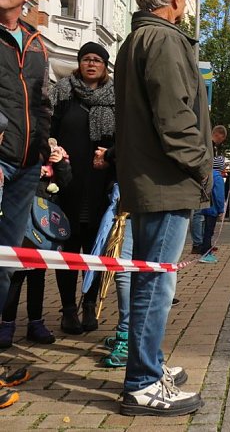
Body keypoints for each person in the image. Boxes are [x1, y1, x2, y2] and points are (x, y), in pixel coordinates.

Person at [114, 0, 212, 416]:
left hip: (149, 176)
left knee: (150, 279)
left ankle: (147, 365)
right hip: (166, 180)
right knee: (157, 282)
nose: (187, 3)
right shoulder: (166, 40)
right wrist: (201, 169)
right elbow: (175, 120)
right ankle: (142, 382)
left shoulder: (136, 39)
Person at [0, 0, 52, 410]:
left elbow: (41, 102)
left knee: (5, 261)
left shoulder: (36, 42)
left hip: (26, 166)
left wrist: (45, 147)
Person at [50, 41, 116, 334]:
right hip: (67, 184)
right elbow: (48, 131)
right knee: (68, 250)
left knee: (96, 249)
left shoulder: (115, 98)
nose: (91, 64)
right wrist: (52, 150)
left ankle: (89, 305)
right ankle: (67, 310)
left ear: (104, 66)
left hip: (100, 186)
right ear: (79, 63)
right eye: (86, 59)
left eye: (97, 60)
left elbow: (121, 137)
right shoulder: (62, 92)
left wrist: (110, 157)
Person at [0, 140, 70, 348]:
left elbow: (66, 182)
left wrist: (59, 164)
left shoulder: (55, 150)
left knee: (37, 276)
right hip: (17, 220)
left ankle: (36, 323)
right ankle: (7, 324)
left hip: (42, 225)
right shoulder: (15, 151)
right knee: (14, 275)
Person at [191, 125, 227, 253]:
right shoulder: (208, 145)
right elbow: (219, 194)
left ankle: (202, 243)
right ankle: (199, 244)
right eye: (221, 139)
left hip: (204, 183)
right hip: (203, 183)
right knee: (199, 215)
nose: (221, 142)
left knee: (201, 216)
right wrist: (221, 209)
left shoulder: (210, 145)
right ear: (218, 135)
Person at [197, 158, 225, 264]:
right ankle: (206, 253)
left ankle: (205, 250)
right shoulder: (218, 178)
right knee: (209, 231)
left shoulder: (207, 175)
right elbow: (219, 195)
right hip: (213, 208)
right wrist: (221, 209)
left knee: (206, 231)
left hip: (205, 206)